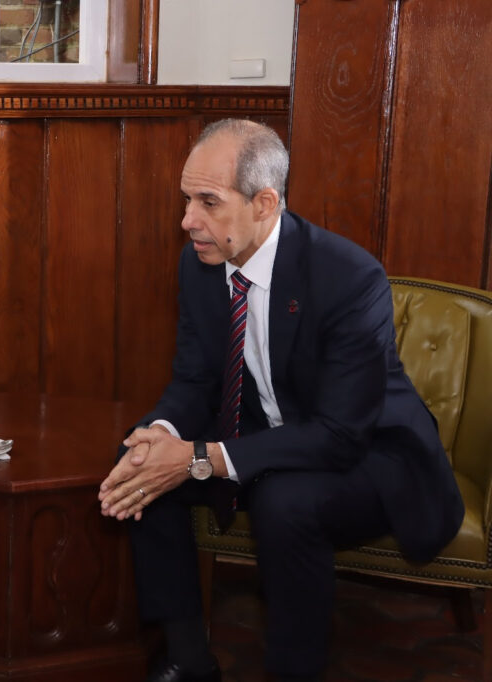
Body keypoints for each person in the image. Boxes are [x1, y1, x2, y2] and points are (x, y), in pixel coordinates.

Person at [98, 119, 463, 682]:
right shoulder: (200, 262)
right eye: (186, 200)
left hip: (371, 453)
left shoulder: (348, 277)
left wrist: (200, 457)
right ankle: (187, 658)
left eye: (208, 202)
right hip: (262, 440)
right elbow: (194, 381)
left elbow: (340, 435)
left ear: (264, 203)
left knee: (284, 502)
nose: (188, 220)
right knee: (143, 466)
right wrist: (161, 435)